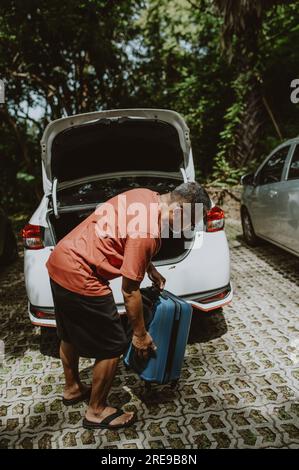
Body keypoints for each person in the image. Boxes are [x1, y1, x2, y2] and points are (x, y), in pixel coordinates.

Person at [46, 182, 211, 429]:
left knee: (68, 333)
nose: (190, 227)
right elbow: (130, 290)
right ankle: (97, 411)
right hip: (83, 274)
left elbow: (124, 237)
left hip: (61, 260)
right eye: (192, 220)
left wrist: (150, 268)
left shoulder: (144, 195)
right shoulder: (149, 232)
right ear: (178, 210)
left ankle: (72, 388)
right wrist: (140, 334)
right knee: (112, 346)